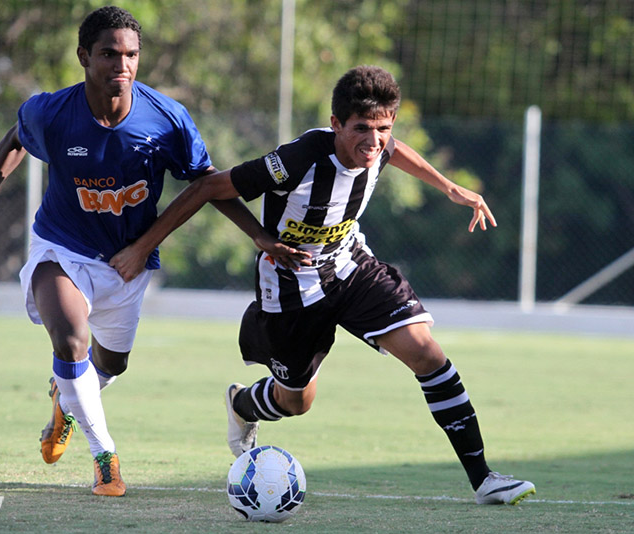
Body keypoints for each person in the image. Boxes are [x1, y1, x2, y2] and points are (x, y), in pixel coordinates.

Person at [109, 65, 536, 505]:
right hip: (291, 285)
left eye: (383, 128)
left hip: (350, 266)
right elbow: (208, 187)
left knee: (428, 354)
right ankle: (242, 405)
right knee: (296, 402)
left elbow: (395, 150)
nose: (373, 142)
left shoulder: (380, 144)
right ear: (335, 124)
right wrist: (146, 248)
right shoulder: (298, 159)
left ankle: (484, 480)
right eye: (362, 130)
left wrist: (449, 188)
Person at [0, 6, 305, 497]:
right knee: (70, 342)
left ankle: (66, 399)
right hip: (62, 248)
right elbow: (14, 138)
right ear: (83, 57)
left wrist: (258, 236)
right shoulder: (51, 112)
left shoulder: (166, 120)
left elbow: (206, 183)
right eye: (109, 54)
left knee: (110, 365)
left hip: (127, 263)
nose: (123, 64)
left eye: (132, 54)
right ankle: (105, 459)